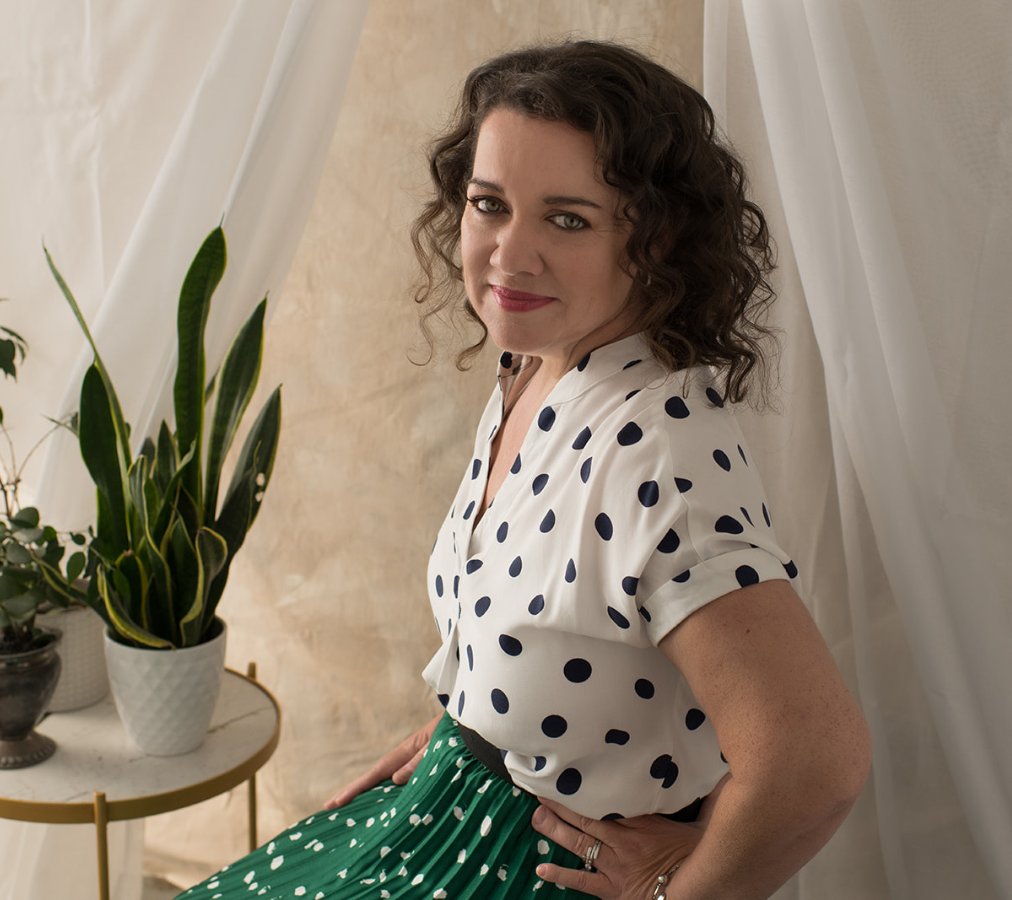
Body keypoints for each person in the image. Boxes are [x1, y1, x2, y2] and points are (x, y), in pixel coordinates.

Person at [174, 39, 871, 900]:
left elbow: (817, 762)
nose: (509, 254)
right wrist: (464, 738)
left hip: (520, 874)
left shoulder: (655, 453)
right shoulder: (537, 367)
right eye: (489, 205)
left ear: (657, 238)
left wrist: (668, 896)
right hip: (453, 812)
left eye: (566, 219)